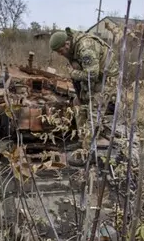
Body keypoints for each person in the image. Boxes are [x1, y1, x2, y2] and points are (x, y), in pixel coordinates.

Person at [49, 27, 118, 159]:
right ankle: (82, 141)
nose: (60, 54)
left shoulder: (85, 47)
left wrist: (72, 73)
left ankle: (88, 151)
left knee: (94, 109)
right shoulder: (72, 49)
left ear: (67, 44)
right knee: (78, 103)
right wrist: (80, 94)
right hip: (94, 78)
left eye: (61, 51)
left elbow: (91, 74)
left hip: (106, 79)